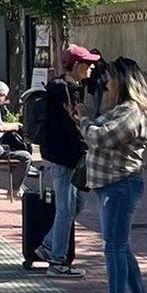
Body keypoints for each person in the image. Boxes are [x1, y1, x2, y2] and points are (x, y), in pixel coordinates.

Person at [79, 57, 147, 293]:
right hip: (111, 187)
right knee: (121, 249)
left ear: (123, 82)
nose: (107, 84)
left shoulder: (131, 113)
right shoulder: (121, 110)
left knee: (113, 249)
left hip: (120, 187)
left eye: (111, 79)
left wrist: (83, 121)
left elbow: (101, 137)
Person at [39, 45, 99, 278]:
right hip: (63, 157)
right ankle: (57, 262)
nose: (92, 67)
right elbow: (70, 125)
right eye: (88, 63)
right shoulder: (61, 90)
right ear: (75, 66)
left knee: (78, 204)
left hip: (71, 157)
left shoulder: (72, 88)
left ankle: (47, 244)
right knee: (65, 209)